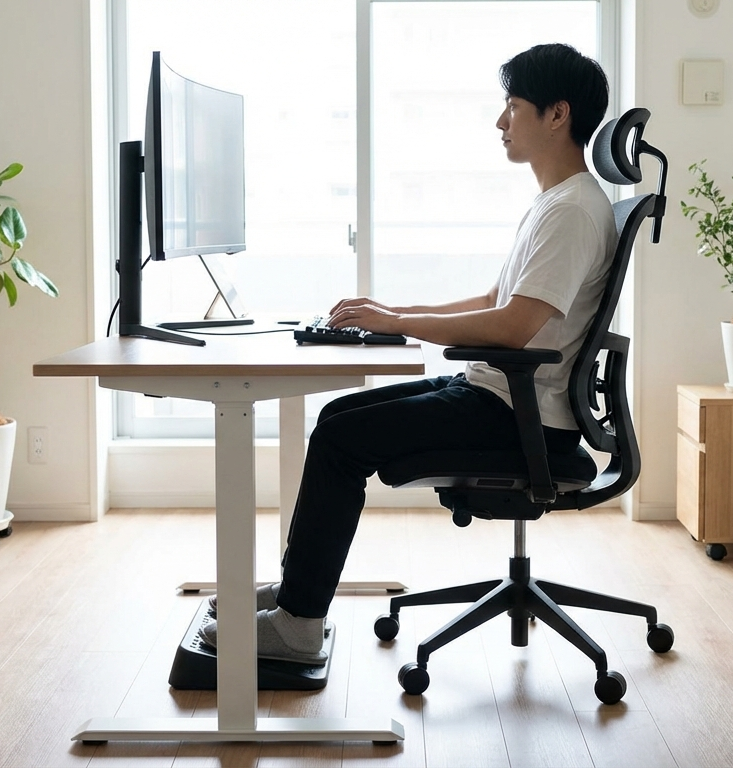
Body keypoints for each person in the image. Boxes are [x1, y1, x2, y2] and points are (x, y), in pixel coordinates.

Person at [201, 42, 617, 663]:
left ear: (557, 114)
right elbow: (494, 300)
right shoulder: (557, 202)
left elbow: (514, 326)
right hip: (500, 395)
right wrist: (392, 314)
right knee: (337, 418)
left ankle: (298, 624)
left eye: (513, 106)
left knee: (341, 440)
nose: (500, 121)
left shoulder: (574, 212)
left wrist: (398, 323)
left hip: (518, 414)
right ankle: (296, 593)